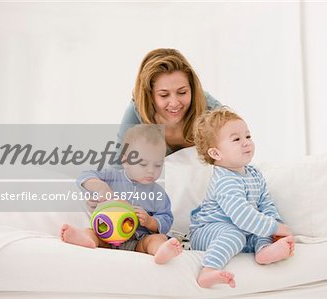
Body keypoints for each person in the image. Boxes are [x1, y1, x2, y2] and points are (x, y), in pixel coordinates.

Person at [189, 108, 295, 288]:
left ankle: (264, 251)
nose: (246, 143)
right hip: (207, 231)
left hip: (241, 228)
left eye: (248, 136)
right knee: (236, 234)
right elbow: (242, 215)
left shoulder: (254, 174)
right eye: (237, 139)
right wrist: (275, 227)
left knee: (259, 231)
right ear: (216, 154)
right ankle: (207, 270)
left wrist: (275, 225)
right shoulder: (224, 180)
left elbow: (265, 204)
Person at [60, 125, 182, 265]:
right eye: (143, 164)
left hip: (138, 241)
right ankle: (85, 238)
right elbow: (84, 176)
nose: (151, 171)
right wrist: (101, 187)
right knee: (92, 232)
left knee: (157, 238)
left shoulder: (158, 193)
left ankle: (161, 250)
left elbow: (166, 219)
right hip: (107, 234)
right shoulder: (111, 177)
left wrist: (150, 222)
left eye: (158, 165)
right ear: (125, 161)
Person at [116, 48, 221, 160]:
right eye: (164, 95)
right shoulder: (137, 111)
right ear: (149, 96)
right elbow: (117, 166)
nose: (174, 103)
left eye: (182, 92)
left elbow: (239, 150)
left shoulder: (210, 108)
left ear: (192, 89)